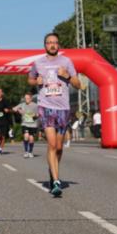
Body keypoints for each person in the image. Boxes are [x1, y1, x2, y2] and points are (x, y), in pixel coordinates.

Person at [29, 32, 82, 197]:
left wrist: (66, 76)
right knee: (51, 144)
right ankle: (57, 181)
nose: (52, 45)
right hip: (45, 106)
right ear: (45, 45)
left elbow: (78, 84)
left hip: (63, 108)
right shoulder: (38, 63)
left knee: (59, 147)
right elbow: (30, 79)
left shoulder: (66, 62)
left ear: (58, 45)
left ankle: (53, 170)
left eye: (55, 42)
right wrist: (35, 82)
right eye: (49, 42)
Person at [14, 92, 39, 159]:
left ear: (31, 98)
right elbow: (14, 108)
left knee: (31, 138)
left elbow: (39, 114)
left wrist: (34, 115)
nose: (26, 99)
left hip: (33, 124)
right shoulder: (22, 104)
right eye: (25, 98)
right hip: (25, 123)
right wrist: (18, 110)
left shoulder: (35, 105)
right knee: (26, 136)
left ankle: (30, 152)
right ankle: (26, 152)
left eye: (28, 98)